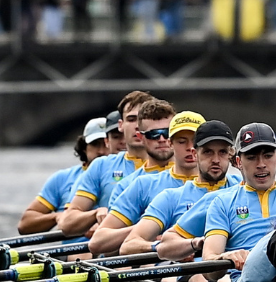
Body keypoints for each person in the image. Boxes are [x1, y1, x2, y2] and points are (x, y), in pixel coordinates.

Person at [156, 123, 276, 282]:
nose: (261, 164)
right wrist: (220, 256)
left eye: (267, 155)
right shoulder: (221, 201)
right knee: (221, 281)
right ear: (238, 162)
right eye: (251, 157)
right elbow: (209, 267)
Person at [88, 109, 208, 255]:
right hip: (162, 267)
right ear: (171, 143)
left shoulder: (230, 185)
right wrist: (148, 229)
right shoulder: (142, 185)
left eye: (195, 142)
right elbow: (98, 243)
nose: (190, 148)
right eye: (182, 141)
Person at [122, 119, 241, 255]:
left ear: (231, 154)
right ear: (195, 154)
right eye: (208, 152)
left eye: (222, 152)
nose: (215, 160)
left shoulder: (243, 188)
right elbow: (128, 245)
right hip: (189, 271)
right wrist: (177, 247)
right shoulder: (171, 197)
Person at [57, 91, 164, 237]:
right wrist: (95, 214)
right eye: (131, 119)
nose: (138, 125)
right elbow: (66, 224)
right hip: (115, 251)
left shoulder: (179, 166)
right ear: (121, 125)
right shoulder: (101, 166)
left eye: (143, 119)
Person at [21, 118, 117, 235]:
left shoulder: (127, 175)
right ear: (83, 148)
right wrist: (58, 217)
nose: (101, 151)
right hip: (75, 248)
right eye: (95, 144)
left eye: (105, 144)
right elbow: (25, 224)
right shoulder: (62, 178)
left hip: (110, 244)